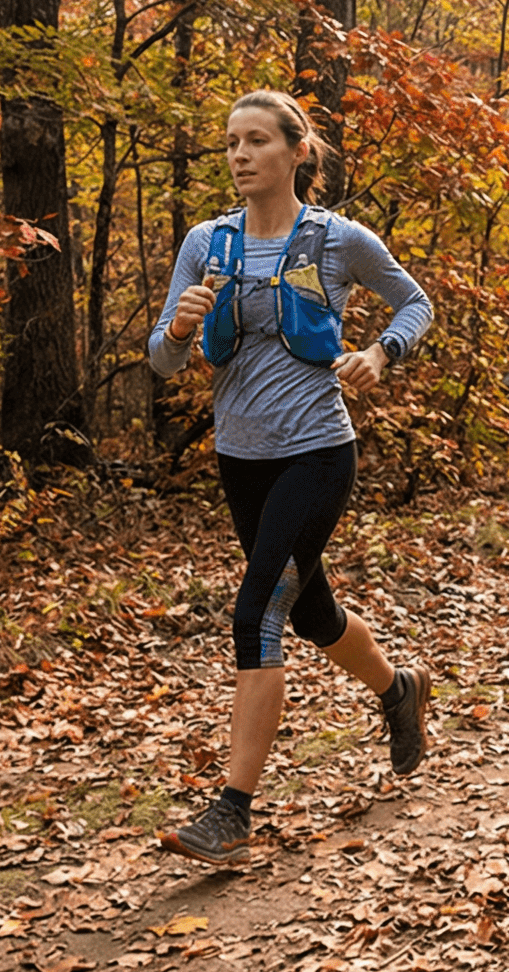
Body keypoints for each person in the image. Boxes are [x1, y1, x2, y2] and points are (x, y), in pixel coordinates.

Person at [146, 89, 434, 866]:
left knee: (257, 612)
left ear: (297, 151)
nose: (239, 156)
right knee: (310, 613)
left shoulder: (337, 241)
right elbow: (162, 358)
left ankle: (231, 812)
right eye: (230, 143)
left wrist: (380, 353)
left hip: (317, 453)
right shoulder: (207, 244)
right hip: (241, 460)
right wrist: (178, 328)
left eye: (256, 141)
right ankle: (399, 689)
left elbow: (415, 304)